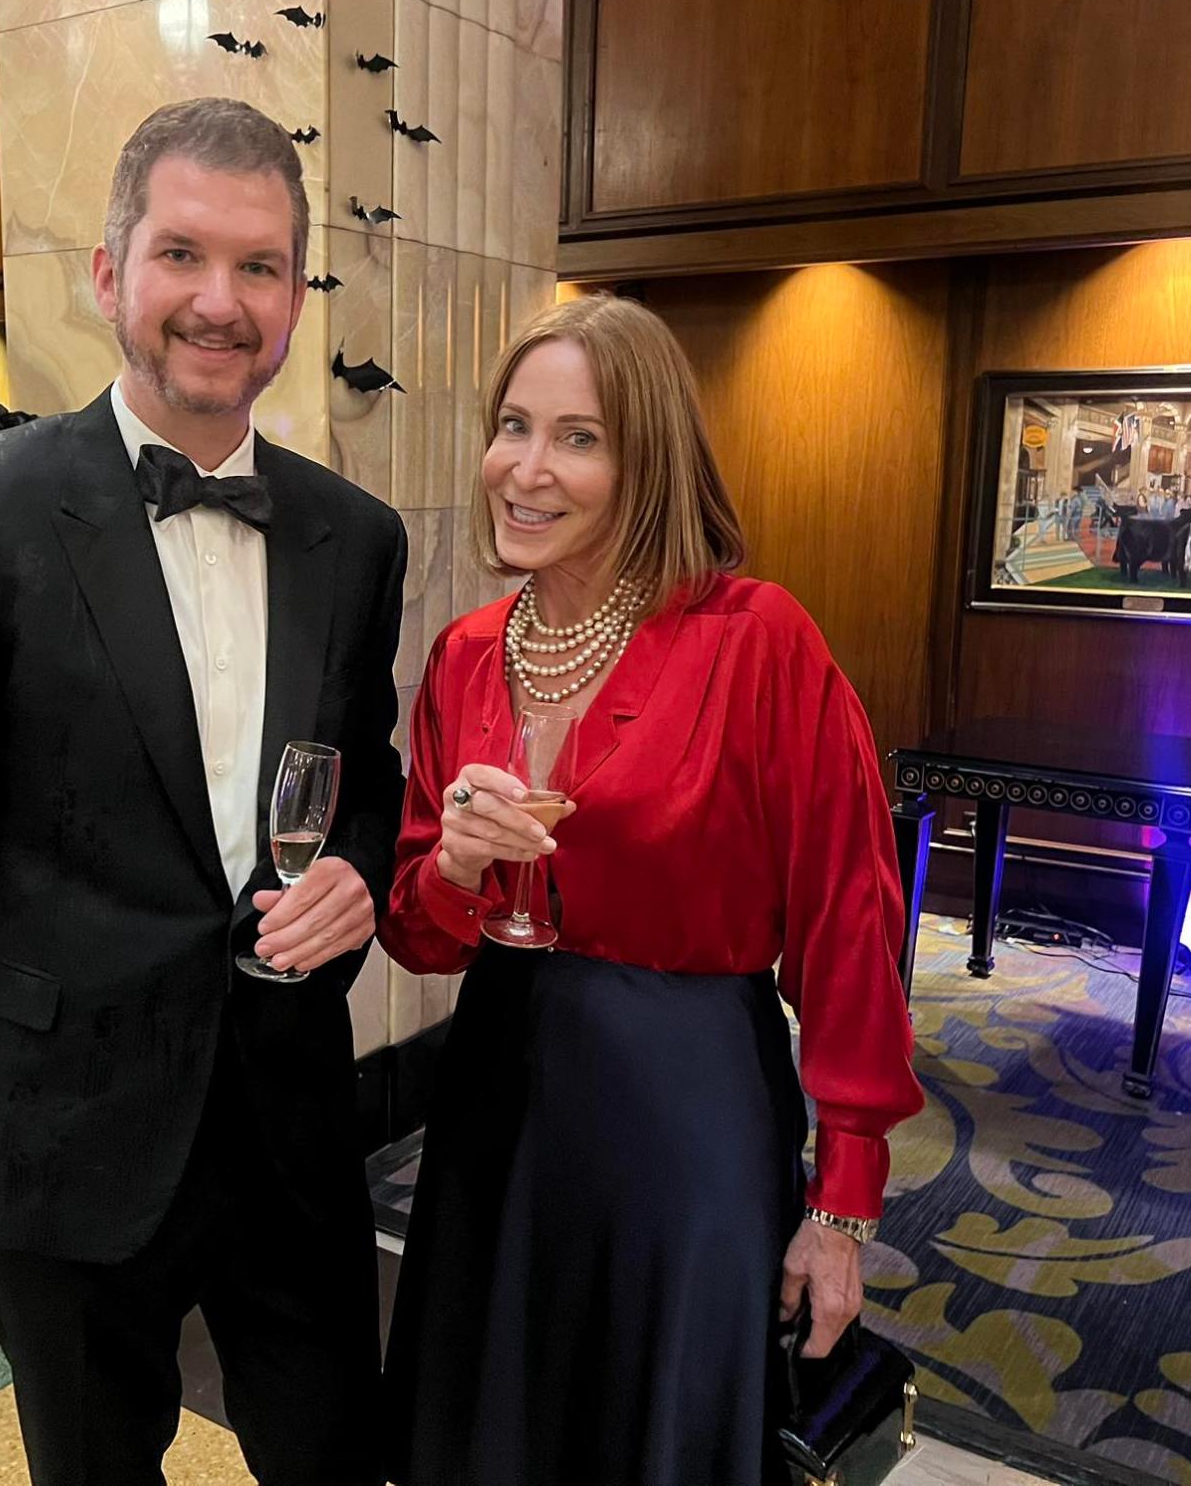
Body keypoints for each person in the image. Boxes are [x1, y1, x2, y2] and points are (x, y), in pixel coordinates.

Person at [0, 97, 407, 1486]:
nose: (221, 301)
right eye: (183, 255)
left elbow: (370, 776)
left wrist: (365, 874)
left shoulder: (354, 535)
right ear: (111, 274)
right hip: (60, 1131)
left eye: (261, 266)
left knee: (337, 1456)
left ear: (294, 296)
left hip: (288, 1130)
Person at [377, 294, 923, 1486]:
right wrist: (458, 867)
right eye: (513, 426)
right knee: (499, 1419)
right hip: (499, 1100)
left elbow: (848, 921)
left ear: (649, 461)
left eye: (579, 437)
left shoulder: (754, 638)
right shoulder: (468, 654)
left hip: (687, 1107)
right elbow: (419, 934)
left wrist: (844, 1205)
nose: (527, 469)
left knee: (658, 1426)